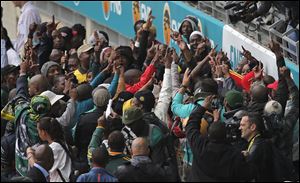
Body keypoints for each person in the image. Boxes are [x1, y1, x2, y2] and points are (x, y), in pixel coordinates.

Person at [185, 95, 254, 181]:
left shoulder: (199, 146)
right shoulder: (234, 155)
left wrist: (202, 107)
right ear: (226, 135)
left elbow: (191, 126)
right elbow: (247, 175)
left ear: (209, 134)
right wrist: (246, 158)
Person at [36, 117, 72, 182]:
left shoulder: (54, 148)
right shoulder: (61, 142)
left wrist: (29, 153)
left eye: (38, 130)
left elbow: (39, 169)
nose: (38, 133)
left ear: (43, 132)